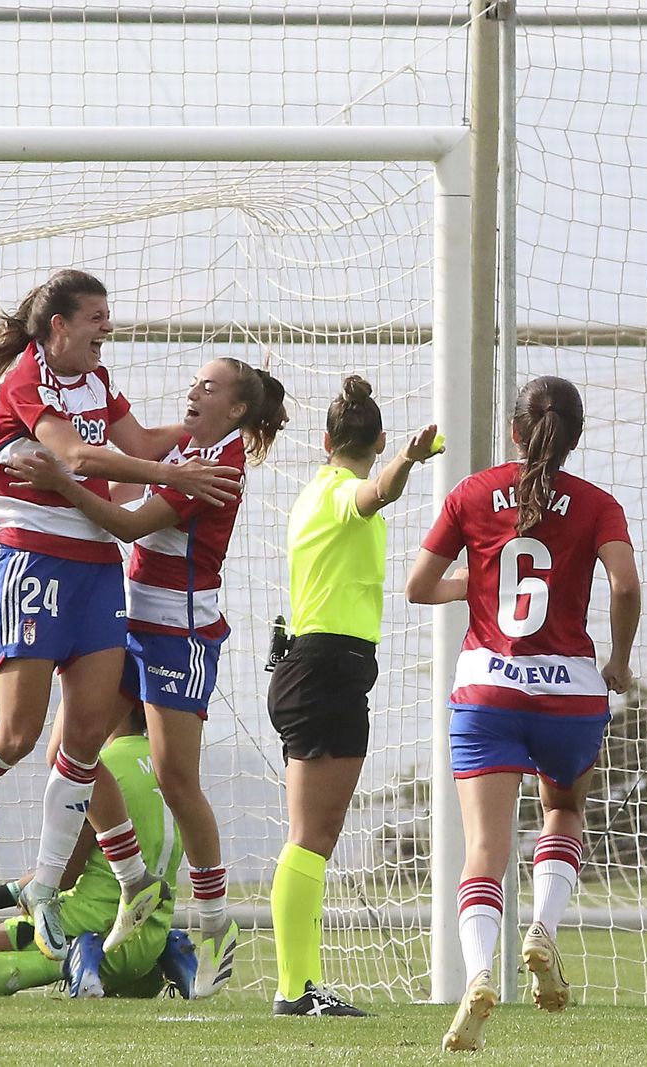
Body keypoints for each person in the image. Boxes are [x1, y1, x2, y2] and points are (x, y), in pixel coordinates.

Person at [0, 269, 242, 961]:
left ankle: (46, 886)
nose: (107, 327)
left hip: (98, 570)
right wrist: (180, 473)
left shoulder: (98, 384)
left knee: (81, 745)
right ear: (59, 327)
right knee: (18, 734)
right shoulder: (30, 379)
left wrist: (216, 439)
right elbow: (77, 455)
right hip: (35, 565)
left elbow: (138, 445)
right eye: (97, 316)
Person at [8, 356, 287, 997]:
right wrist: (73, 466)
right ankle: (133, 875)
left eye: (207, 386)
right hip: (129, 619)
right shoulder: (186, 448)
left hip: (178, 632)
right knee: (67, 753)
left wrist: (62, 478)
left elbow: (128, 522)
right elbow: (120, 472)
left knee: (175, 776)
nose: (191, 389)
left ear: (236, 410)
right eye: (194, 379)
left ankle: (215, 921)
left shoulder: (215, 466)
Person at [406, 376, 639, 1053]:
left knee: (484, 845)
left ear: (515, 430)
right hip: (568, 693)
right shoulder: (597, 503)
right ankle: (544, 927)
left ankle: (482, 971)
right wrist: (618, 658)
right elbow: (625, 583)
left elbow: (419, 586)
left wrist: (478, 587)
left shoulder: (472, 493)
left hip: (487, 691)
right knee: (562, 810)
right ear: (573, 436)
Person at [266, 375, 441, 1017]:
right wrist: (408, 461)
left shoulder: (316, 486)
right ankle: (294, 988)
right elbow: (376, 494)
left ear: (324, 439)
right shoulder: (337, 491)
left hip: (327, 670)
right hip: (321, 670)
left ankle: (301, 986)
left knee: (317, 833)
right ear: (380, 440)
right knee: (310, 835)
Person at [0, 705, 196, 1000]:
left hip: (90, 928)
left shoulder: (100, 770)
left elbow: (64, 876)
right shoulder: (175, 770)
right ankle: (167, 955)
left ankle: (75, 959)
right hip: (149, 938)